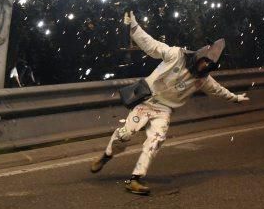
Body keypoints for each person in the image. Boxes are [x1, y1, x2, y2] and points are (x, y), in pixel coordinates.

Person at [90, 11, 250, 195]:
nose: (206, 66)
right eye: (205, 61)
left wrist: (236, 98)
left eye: (210, 65)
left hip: (164, 109)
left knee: (156, 140)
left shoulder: (203, 79)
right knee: (126, 134)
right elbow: (151, 45)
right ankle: (106, 156)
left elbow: (218, 90)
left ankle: (135, 179)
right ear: (200, 55)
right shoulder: (176, 55)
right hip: (147, 101)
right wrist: (134, 25)